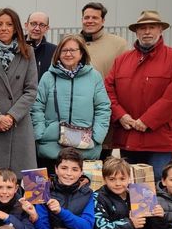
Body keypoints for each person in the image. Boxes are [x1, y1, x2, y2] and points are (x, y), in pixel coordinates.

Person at [105, 10, 172, 182]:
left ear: (160, 30)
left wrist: (147, 120)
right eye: (142, 28)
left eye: (152, 27)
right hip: (128, 135)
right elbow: (108, 90)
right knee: (130, 182)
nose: (147, 32)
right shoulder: (122, 60)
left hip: (159, 138)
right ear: (136, 32)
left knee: (158, 181)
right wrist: (120, 115)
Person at [0, 7, 38, 180]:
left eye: (9, 24)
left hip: (18, 124)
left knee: (24, 181)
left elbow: (31, 90)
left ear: (16, 28)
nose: (4, 28)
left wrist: (11, 117)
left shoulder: (27, 52)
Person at [30, 34, 111, 165]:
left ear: (81, 53)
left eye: (72, 50)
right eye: (64, 50)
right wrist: (41, 133)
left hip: (86, 148)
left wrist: (97, 137)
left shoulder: (94, 77)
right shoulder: (48, 77)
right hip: (51, 148)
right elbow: (37, 106)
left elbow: (103, 108)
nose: (68, 54)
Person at [91, 157, 163, 229]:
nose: (118, 183)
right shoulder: (97, 198)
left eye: (122, 179)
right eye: (112, 179)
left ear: (129, 178)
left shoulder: (141, 194)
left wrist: (158, 217)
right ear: (104, 180)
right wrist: (129, 223)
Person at [30, 147, 95, 229]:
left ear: (81, 172)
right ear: (56, 169)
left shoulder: (88, 193)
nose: (68, 173)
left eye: (74, 169)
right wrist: (35, 218)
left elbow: (86, 228)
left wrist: (61, 212)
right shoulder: (42, 189)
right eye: (64, 168)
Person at [79, 2, 127, 77]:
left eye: (95, 18)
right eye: (86, 17)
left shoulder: (119, 44)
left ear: (103, 20)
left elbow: (124, 73)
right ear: (82, 20)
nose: (90, 21)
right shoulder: (71, 42)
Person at [25, 11, 56, 80]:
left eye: (42, 25)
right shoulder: (16, 47)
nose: (37, 28)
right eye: (33, 24)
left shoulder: (54, 51)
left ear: (47, 28)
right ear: (26, 25)